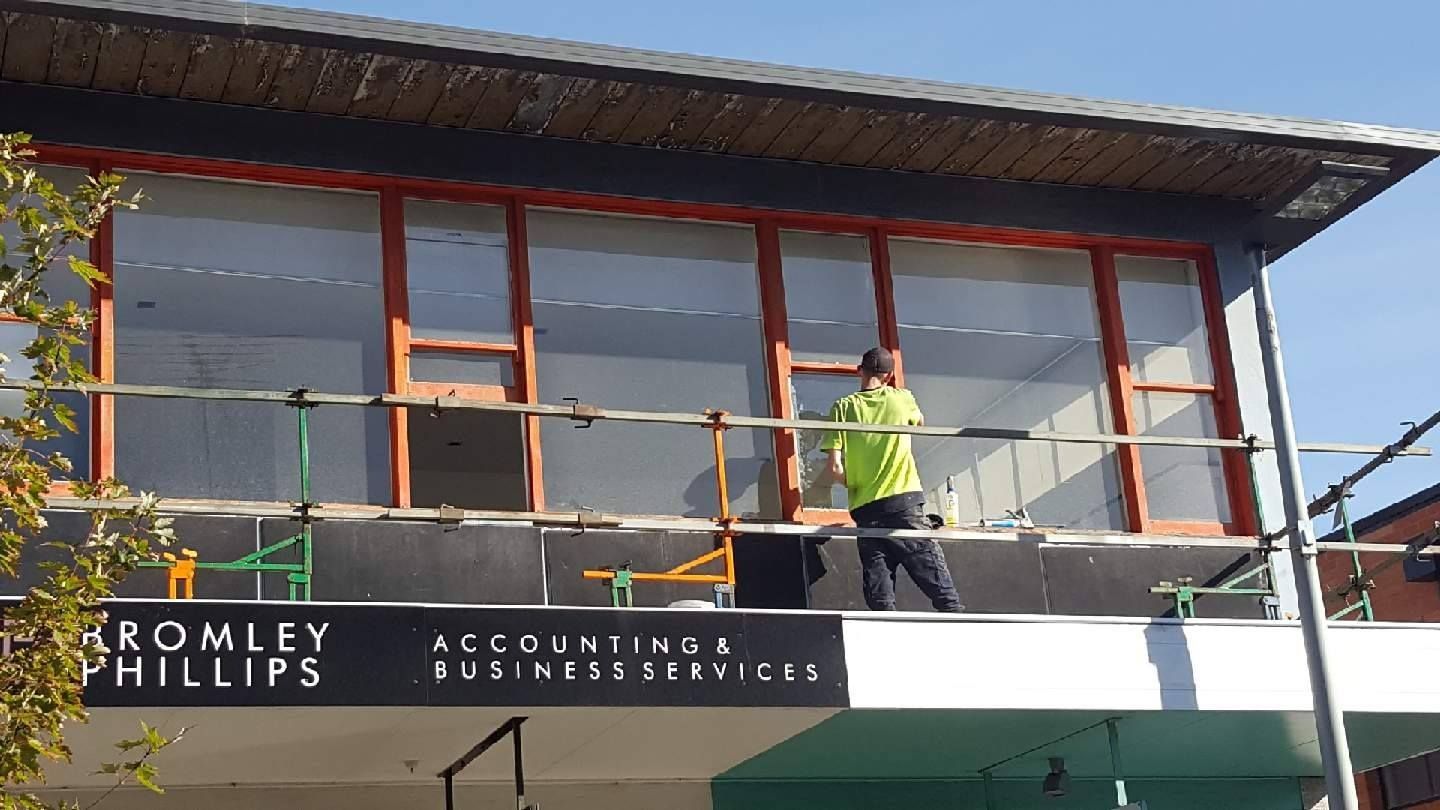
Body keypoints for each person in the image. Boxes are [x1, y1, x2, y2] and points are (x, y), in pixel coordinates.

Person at [821, 347, 963, 612]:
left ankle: (885, 634)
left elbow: (835, 468)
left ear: (859, 371)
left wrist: (855, 482)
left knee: (879, 587)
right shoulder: (902, 398)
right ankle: (957, 621)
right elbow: (918, 422)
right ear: (887, 376)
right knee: (930, 570)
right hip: (902, 499)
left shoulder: (842, 407)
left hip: (865, 507)